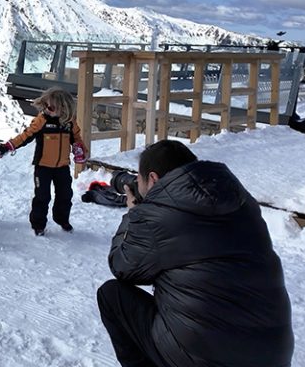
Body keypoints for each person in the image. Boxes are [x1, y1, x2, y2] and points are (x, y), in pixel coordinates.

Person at [97, 139, 294, 367]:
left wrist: (133, 214)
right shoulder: (241, 200)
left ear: (153, 179)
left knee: (112, 295)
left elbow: (122, 266)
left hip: (203, 359)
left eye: (139, 180)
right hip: (273, 354)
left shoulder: (158, 215)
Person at [0, 87, 85, 235]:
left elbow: (77, 139)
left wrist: (80, 149)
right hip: (42, 167)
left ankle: (62, 219)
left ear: (64, 108)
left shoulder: (69, 123)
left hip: (62, 167)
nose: (47, 109)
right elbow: (25, 136)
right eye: (46, 106)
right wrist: (6, 147)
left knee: (65, 194)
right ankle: (38, 225)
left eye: (51, 107)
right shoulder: (41, 121)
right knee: (42, 196)